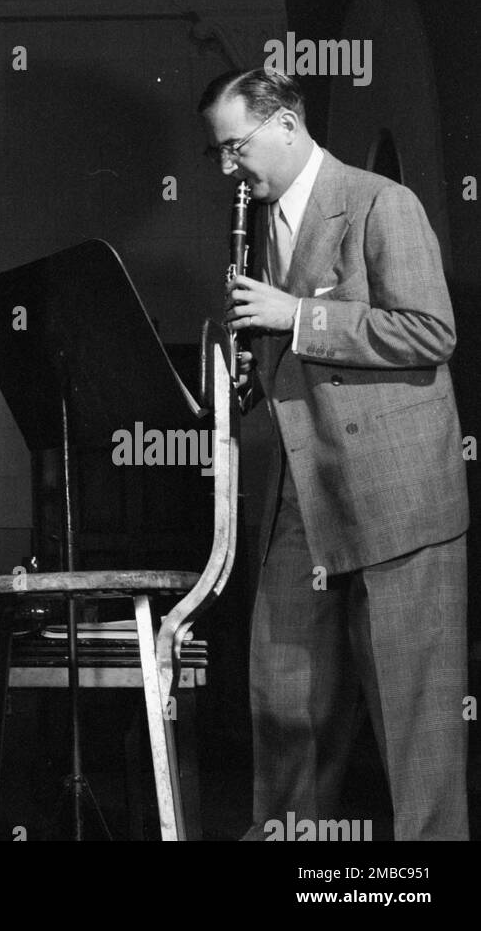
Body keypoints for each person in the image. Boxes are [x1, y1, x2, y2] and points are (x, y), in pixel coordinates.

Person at [199, 68, 469, 841]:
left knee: (417, 737)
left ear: (286, 123)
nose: (226, 168)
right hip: (301, 497)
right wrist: (249, 375)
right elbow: (289, 362)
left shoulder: (384, 204)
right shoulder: (257, 223)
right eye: (217, 153)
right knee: (283, 711)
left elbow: (430, 332)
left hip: (397, 501)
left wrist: (298, 316)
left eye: (235, 147)